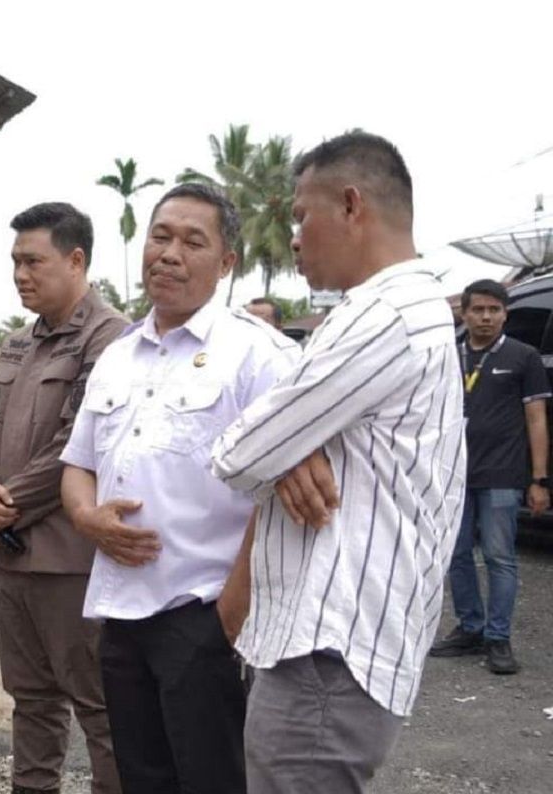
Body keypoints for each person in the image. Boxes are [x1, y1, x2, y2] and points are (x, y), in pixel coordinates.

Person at [210, 131, 465, 792]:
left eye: (301, 217)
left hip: (327, 651)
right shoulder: (404, 310)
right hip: (337, 646)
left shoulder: (385, 314)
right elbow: (279, 436)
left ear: (352, 206)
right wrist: (295, 446)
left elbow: (241, 452)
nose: (295, 237)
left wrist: (283, 446)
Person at [60, 183, 301, 792]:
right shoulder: (118, 356)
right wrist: (87, 519)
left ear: (226, 264)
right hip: (121, 614)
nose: (169, 254)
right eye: (160, 236)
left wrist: (228, 616)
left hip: (201, 615)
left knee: (213, 779)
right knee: (142, 777)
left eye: (193, 241)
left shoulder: (259, 356)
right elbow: (78, 463)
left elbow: (284, 496)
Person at [0, 202, 127, 794]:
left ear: (76, 260)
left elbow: (79, 442)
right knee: (30, 700)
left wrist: (0, 503)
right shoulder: (16, 344)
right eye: (15, 262)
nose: (20, 274)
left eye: (34, 261)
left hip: (71, 558)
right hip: (12, 554)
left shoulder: (112, 340)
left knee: (99, 707)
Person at [429, 279, 549, 674]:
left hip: (502, 475)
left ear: (505, 313)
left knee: (500, 557)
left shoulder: (523, 356)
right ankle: (470, 629)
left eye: (493, 310)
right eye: (478, 309)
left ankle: (498, 638)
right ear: (463, 313)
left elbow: (536, 419)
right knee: (457, 556)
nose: (485, 317)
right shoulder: (448, 355)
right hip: (452, 476)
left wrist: (539, 479)